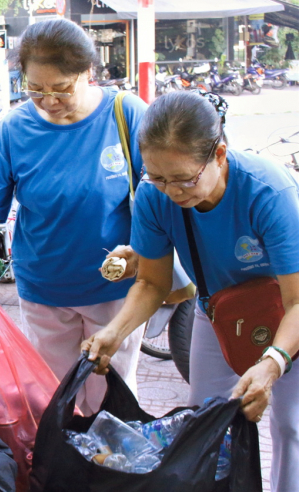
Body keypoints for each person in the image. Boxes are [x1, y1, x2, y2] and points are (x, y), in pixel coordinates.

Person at [84, 91, 299, 491]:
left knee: (292, 426)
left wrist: (272, 364)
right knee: (204, 418)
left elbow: (297, 301)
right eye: (158, 177)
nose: (173, 192)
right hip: (216, 310)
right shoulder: (154, 197)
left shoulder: (269, 192)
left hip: (288, 313)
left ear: (218, 155)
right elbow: (152, 282)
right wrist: (115, 332)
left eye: (184, 178)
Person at [0, 18, 150, 415]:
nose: (48, 101)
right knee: (54, 400)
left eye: (61, 89)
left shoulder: (125, 113)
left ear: (88, 73)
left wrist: (148, 254)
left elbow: (162, 193)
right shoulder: (13, 128)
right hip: (45, 289)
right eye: (34, 90)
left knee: (110, 403)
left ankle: (111, 474)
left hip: (115, 290)